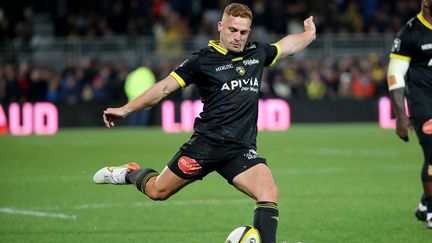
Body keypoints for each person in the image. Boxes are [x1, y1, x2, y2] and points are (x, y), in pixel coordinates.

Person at [93, 3, 316, 242]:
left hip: (240, 149)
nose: (237, 37)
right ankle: (131, 173)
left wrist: (308, 35)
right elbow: (164, 88)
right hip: (205, 146)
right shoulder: (202, 61)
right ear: (220, 27)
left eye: (243, 32)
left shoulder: (257, 53)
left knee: (268, 191)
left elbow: (286, 46)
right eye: (232, 30)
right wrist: (125, 110)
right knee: (158, 191)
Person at [387, 0, 432, 230]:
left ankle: (425, 202)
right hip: (423, 102)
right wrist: (400, 115)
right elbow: (395, 76)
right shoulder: (410, 33)